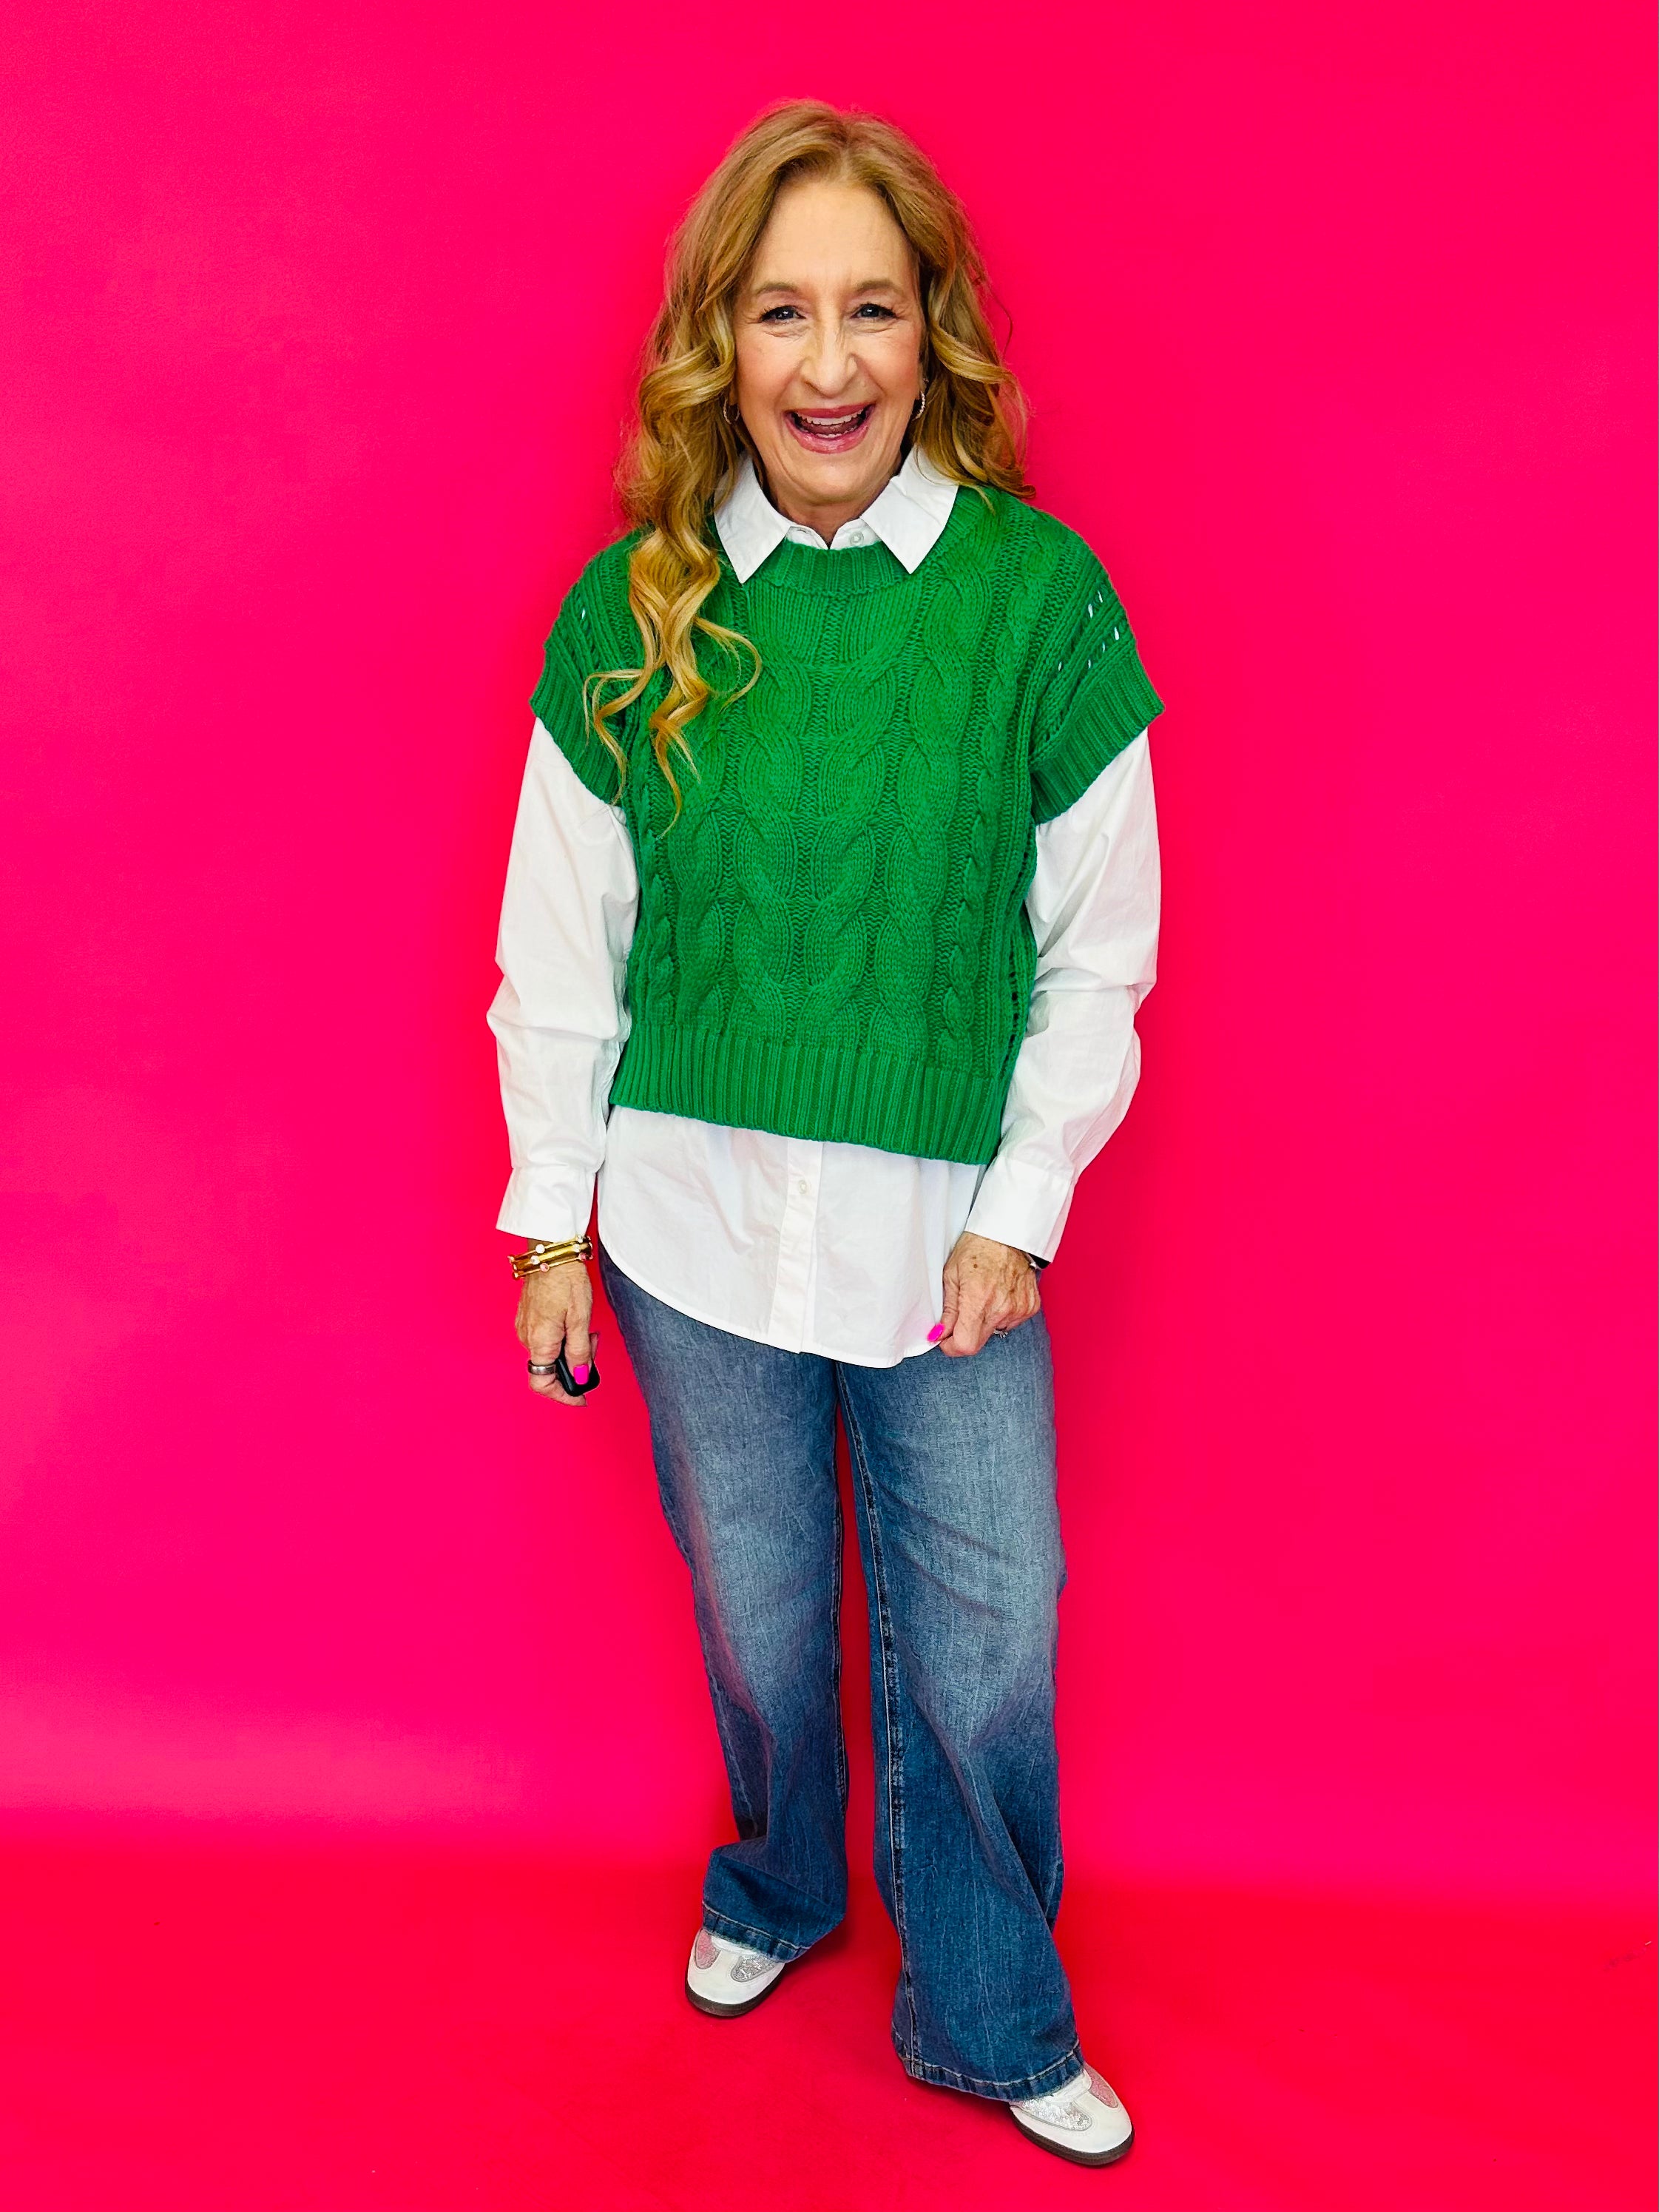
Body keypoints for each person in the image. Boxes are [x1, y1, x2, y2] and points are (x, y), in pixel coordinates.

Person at [489, 99, 1163, 2169]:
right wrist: (552, 1222)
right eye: (781, 311)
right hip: (689, 1226)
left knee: (991, 1626)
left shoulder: (1038, 604)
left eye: (872, 307)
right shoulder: (636, 611)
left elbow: (1098, 953)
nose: (828, 360)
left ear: (931, 331)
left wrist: (1021, 1208)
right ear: (722, 342)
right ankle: (779, 1883)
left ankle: (989, 2005)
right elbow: (564, 946)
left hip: (948, 1238)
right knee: (759, 1606)